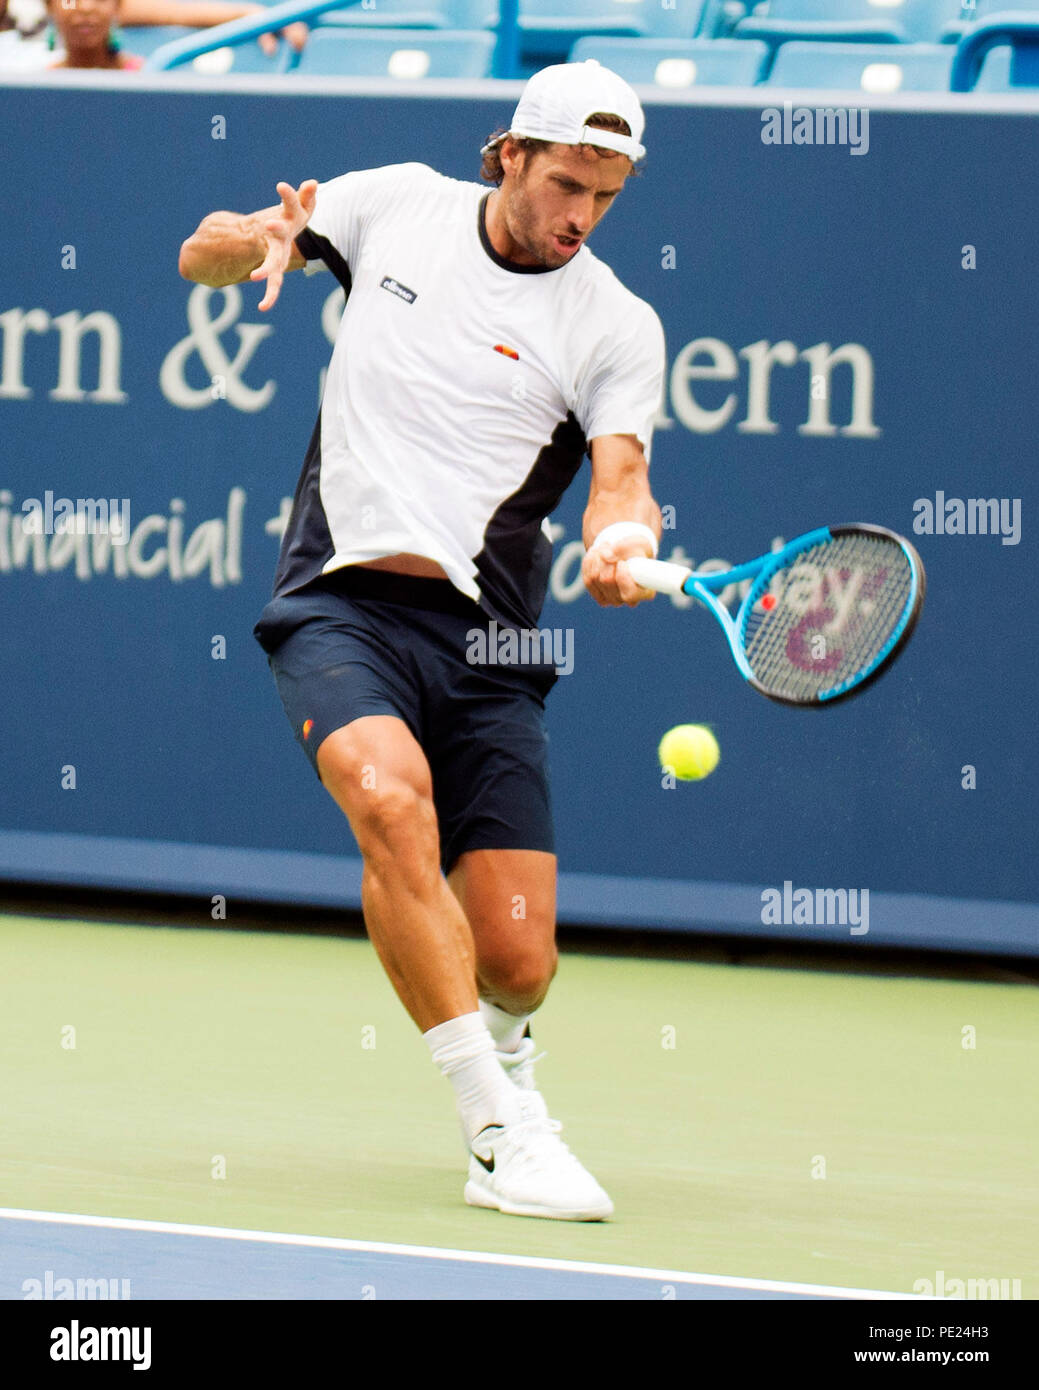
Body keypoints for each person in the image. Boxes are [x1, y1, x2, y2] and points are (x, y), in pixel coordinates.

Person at [178, 59, 666, 1222]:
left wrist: (620, 544)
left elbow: (622, 484)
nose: (578, 216)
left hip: (490, 648)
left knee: (520, 963)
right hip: (339, 603)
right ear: (506, 155)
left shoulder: (616, 323)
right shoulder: (394, 203)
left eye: (604, 195)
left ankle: (505, 1053)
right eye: (562, 183)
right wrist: (259, 240)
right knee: (387, 798)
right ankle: (497, 1128)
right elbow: (201, 250)